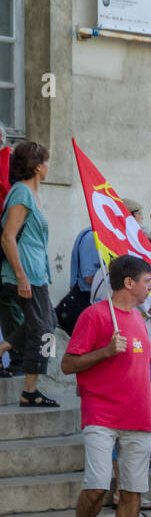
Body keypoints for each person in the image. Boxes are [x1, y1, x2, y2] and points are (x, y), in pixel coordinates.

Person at [59, 255, 151, 517]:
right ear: (129, 283)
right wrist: (105, 352)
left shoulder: (139, 318)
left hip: (138, 417)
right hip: (101, 413)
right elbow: (68, 364)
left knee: (133, 490)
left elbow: (140, 375)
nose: (150, 287)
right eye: (147, 282)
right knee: (96, 487)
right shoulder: (94, 315)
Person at [0, 142, 58, 405]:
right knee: (43, 329)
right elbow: (8, 238)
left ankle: (4, 352)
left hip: (37, 274)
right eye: (46, 160)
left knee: (48, 325)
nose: (49, 165)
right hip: (25, 275)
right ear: (37, 167)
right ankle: (30, 391)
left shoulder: (31, 194)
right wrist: (21, 276)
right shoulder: (22, 193)